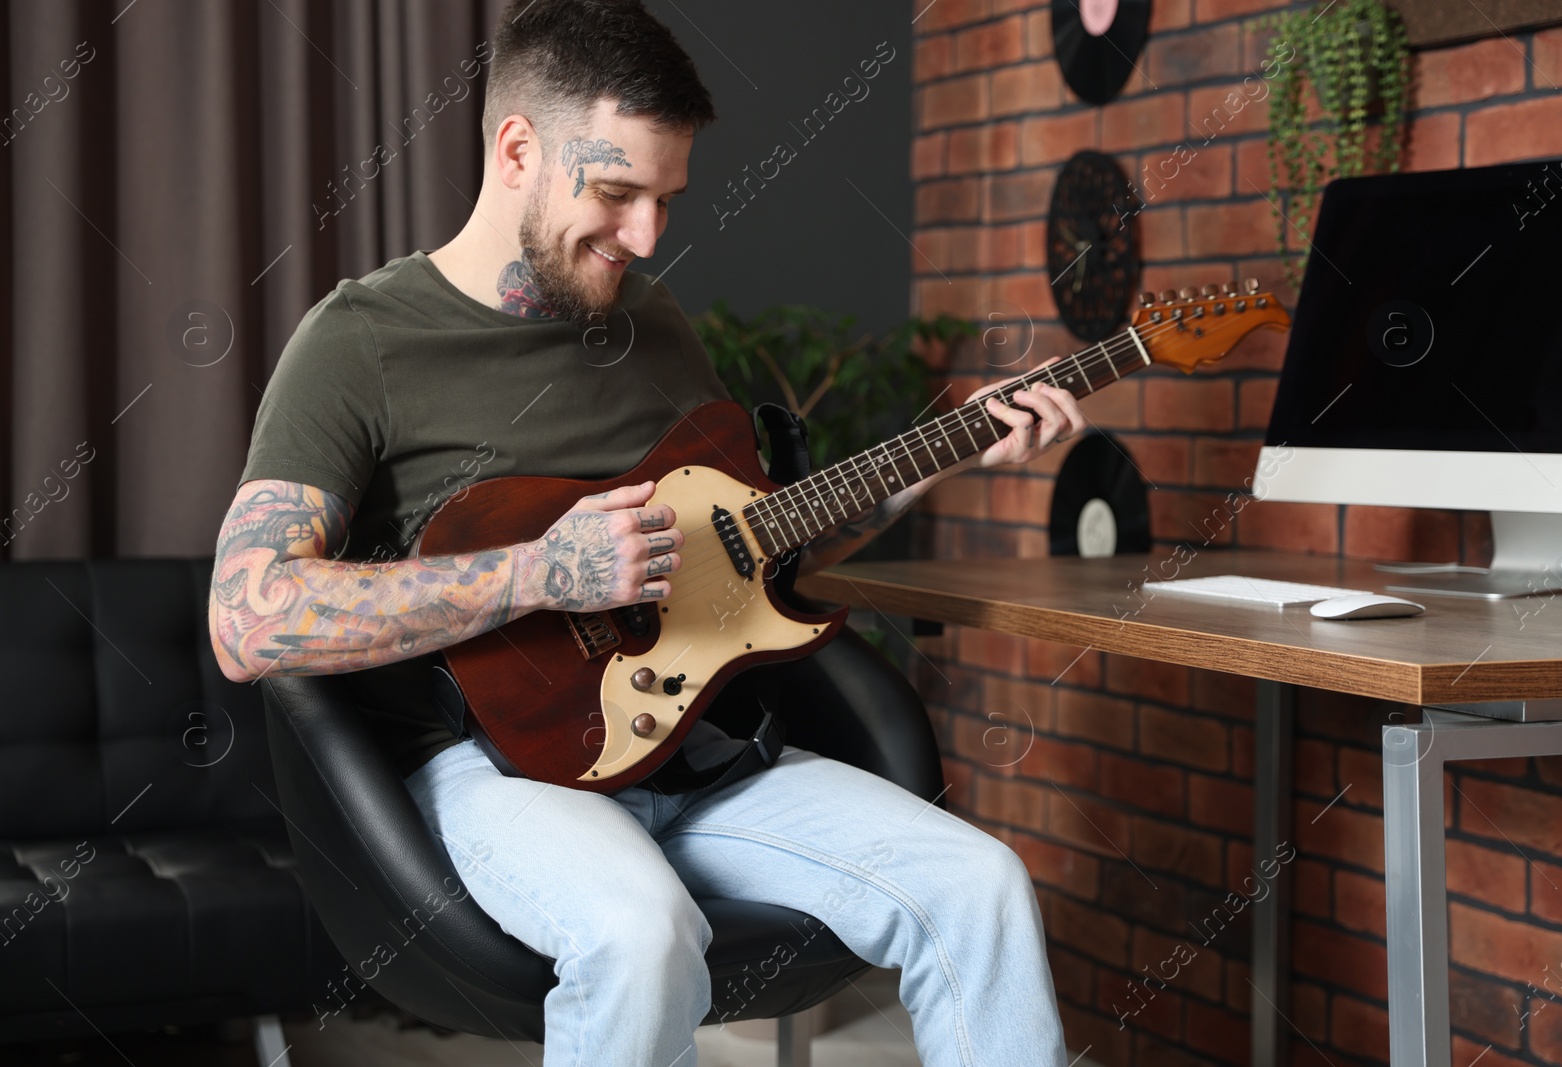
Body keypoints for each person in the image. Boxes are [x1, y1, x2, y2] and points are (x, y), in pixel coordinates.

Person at [209, 1, 1087, 1063]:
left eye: (666, 199)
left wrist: (945, 449)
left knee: (980, 884)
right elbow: (246, 618)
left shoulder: (652, 323)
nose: (646, 237)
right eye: (617, 193)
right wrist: (539, 572)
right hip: (497, 770)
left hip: (694, 752)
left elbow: (756, 554)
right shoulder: (360, 340)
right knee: (642, 929)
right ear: (518, 148)